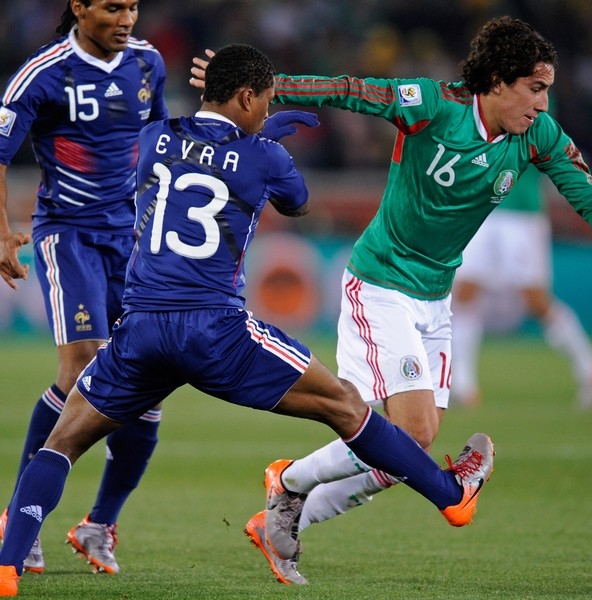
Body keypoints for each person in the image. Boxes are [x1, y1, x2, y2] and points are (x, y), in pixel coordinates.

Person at [190, 15, 592, 585]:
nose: (543, 104)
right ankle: (290, 481)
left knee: (398, 457)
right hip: (381, 284)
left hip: (435, 299)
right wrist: (271, 85)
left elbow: (585, 193)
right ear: (497, 80)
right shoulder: (433, 105)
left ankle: (277, 513)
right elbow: (352, 92)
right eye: (535, 89)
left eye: (547, 90)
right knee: (411, 439)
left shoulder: (535, 136)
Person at [0, 43, 494, 598]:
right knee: (345, 406)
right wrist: (264, 144)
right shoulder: (265, 155)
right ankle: (450, 497)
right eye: (264, 101)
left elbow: (173, 161)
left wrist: (244, 140)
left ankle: (7, 566)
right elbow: (299, 202)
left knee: (62, 443)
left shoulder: (151, 138)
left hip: (140, 329)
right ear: (245, 96)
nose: (267, 110)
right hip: (216, 331)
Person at [0, 0, 169, 575]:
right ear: (79, 7)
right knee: (79, 372)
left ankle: (99, 524)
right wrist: (1, 232)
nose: (127, 18)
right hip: (68, 235)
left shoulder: (148, 64)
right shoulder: (42, 73)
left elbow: (159, 142)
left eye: (133, 7)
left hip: (132, 239)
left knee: (147, 383)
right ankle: (22, 517)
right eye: (112, 7)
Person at [451, 166, 592, 410]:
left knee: (535, 299)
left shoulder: (536, 127)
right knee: (465, 290)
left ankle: (590, 367)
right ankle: (463, 384)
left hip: (521, 212)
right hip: (480, 207)